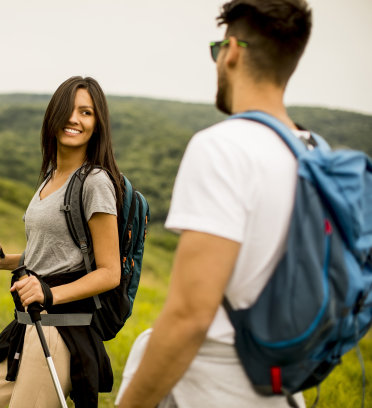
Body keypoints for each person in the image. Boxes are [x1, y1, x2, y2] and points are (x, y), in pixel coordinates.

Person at [117, 1, 313, 407]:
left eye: (216, 49)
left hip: (209, 389)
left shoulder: (222, 147)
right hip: (280, 389)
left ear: (233, 51)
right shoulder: (312, 152)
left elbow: (190, 317)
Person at [0, 76, 123, 408]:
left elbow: (109, 272)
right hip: (27, 323)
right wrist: (2, 260)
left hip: (60, 330)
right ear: (53, 116)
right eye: (69, 110)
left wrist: (50, 293)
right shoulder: (50, 175)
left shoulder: (95, 182)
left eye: (86, 113)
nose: (75, 119)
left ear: (98, 124)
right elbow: (50, 254)